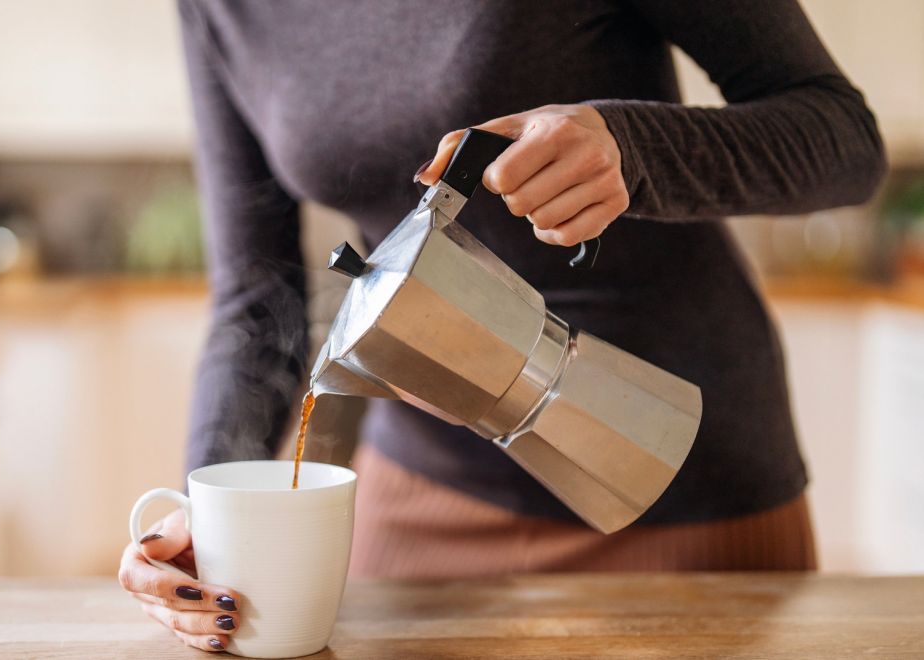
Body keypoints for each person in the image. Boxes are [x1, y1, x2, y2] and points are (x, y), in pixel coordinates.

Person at [118, 0, 886, 652]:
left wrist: (633, 147)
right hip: (421, 493)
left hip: (671, 480)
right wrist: (205, 512)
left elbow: (845, 140)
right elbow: (259, 299)